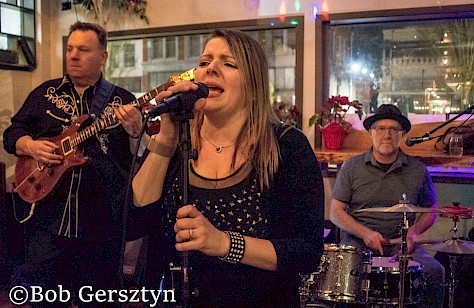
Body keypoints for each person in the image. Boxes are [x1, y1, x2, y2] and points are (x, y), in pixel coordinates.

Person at [132, 28, 325, 307]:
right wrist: (165, 139)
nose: (211, 69)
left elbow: (306, 252)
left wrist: (224, 243)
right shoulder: (179, 142)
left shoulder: (287, 147)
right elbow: (134, 222)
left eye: (229, 63)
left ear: (253, 82)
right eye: (204, 62)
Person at [3, 21, 143, 306]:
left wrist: (135, 132)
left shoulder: (123, 101)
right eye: (69, 49)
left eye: (83, 49)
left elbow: (135, 161)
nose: (73, 55)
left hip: (100, 228)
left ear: (103, 56)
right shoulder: (45, 93)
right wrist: (30, 145)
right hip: (46, 224)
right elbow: (11, 135)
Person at [330, 104, 445, 307]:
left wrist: (413, 233)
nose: (387, 135)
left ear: (401, 134)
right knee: (348, 274)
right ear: (371, 133)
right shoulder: (351, 167)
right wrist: (365, 233)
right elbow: (336, 213)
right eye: (380, 129)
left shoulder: (418, 170)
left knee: (435, 271)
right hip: (359, 243)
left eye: (393, 129)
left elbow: (430, 211)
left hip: (401, 245)